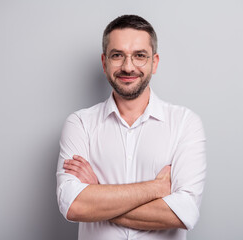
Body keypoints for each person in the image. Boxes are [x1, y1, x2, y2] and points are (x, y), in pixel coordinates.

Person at [56, 15, 206, 240]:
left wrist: (98, 194)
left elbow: (184, 213)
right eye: (117, 55)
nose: (128, 67)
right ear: (104, 62)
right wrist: (156, 189)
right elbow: (74, 206)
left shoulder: (185, 123)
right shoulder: (79, 124)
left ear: (154, 62)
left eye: (139, 56)